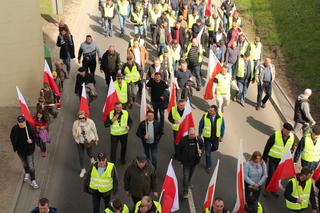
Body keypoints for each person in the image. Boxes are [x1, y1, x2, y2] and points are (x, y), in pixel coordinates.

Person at [262, 122, 295, 197]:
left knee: (277, 176)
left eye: (290, 131)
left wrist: (291, 151)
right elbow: (267, 146)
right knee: (271, 175)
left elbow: (292, 146)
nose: (288, 132)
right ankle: (266, 189)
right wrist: (264, 158)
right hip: (273, 159)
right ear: (283, 129)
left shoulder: (292, 137)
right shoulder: (275, 135)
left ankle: (273, 189)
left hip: (282, 160)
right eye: (287, 130)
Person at [10, 115, 39, 189]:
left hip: (29, 151)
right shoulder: (15, 128)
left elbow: (35, 138)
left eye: (22, 122)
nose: (21, 123)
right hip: (20, 151)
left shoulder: (30, 129)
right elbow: (11, 136)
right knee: (24, 163)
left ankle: (33, 180)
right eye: (19, 122)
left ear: (25, 121)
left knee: (31, 166)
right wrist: (15, 145)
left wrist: (31, 141)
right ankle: (27, 173)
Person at [177, 128, 203, 198]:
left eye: (194, 134)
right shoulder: (183, 140)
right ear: (188, 133)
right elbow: (179, 150)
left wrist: (201, 151)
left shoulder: (199, 140)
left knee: (191, 175)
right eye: (191, 134)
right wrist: (179, 160)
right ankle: (185, 191)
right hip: (186, 163)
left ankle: (188, 182)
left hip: (194, 162)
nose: (193, 135)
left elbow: (202, 147)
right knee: (185, 176)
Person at [198, 105, 225, 173]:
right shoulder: (205, 116)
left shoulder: (220, 117)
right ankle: (208, 166)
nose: (209, 111)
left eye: (211, 111)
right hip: (207, 137)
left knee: (215, 148)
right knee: (207, 154)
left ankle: (207, 150)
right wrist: (199, 133)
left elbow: (222, 127)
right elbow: (201, 124)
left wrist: (221, 136)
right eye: (209, 110)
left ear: (215, 111)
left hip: (216, 138)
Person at [72, 111, 99, 177]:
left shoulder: (90, 122)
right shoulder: (75, 123)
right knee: (81, 156)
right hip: (80, 142)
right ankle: (83, 169)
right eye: (80, 118)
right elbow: (73, 131)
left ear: (85, 117)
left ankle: (92, 159)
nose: (81, 119)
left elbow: (94, 130)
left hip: (88, 141)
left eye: (83, 118)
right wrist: (76, 135)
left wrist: (96, 138)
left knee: (89, 152)